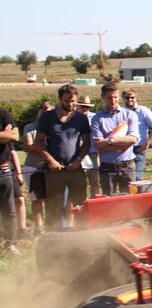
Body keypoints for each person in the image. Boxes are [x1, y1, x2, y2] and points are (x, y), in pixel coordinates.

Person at [33, 83, 91, 230]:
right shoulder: (47, 116)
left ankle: (82, 234)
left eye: (73, 101)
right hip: (55, 171)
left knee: (81, 205)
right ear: (60, 100)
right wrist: (50, 160)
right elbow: (38, 142)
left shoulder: (81, 118)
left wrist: (78, 161)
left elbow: (87, 143)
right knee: (53, 206)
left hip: (75, 170)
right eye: (67, 101)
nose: (71, 104)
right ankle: (53, 237)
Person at [90, 81, 140, 196]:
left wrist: (109, 141)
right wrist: (123, 143)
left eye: (115, 97)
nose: (113, 101)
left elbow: (132, 140)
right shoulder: (97, 119)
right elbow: (97, 145)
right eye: (109, 98)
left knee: (130, 200)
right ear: (103, 97)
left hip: (128, 167)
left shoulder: (130, 115)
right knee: (108, 200)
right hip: (107, 167)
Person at [22, 100, 52, 235]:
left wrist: (38, 148)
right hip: (33, 167)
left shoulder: (53, 129)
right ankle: (39, 228)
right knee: (36, 199)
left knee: (51, 198)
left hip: (50, 168)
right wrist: (46, 150)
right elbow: (27, 147)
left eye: (48, 109)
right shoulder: (30, 127)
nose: (44, 111)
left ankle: (51, 225)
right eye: (42, 108)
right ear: (38, 111)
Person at [121, 89, 152, 181]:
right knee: (127, 178)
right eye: (127, 97)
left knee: (138, 178)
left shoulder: (143, 110)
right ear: (123, 99)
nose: (130, 99)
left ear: (136, 98)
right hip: (125, 150)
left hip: (139, 149)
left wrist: (147, 143)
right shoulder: (121, 112)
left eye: (132, 97)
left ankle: (141, 195)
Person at [0, 105, 19, 253]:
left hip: (4, 170)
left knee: (9, 210)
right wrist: (4, 134)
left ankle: (10, 243)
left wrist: (9, 134)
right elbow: (8, 135)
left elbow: (14, 136)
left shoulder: (4, 114)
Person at [75, 96, 101, 196]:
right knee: (79, 182)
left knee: (94, 181)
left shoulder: (95, 117)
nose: (85, 109)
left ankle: (95, 202)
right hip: (77, 155)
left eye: (87, 107)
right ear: (77, 106)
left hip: (92, 153)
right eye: (82, 106)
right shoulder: (73, 118)